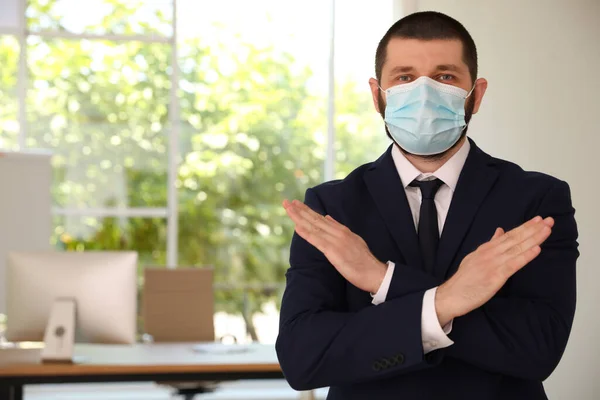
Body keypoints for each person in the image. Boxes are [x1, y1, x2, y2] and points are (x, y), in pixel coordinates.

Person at [275, 11, 578, 400]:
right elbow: (303, 358)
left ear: (477, 94)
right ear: (376, 94)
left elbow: (538, 350)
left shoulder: (534, 200)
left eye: (445, 77)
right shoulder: (332, 207)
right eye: (404, 77)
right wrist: (449, 300)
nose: (423, 93)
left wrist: (383, 280)